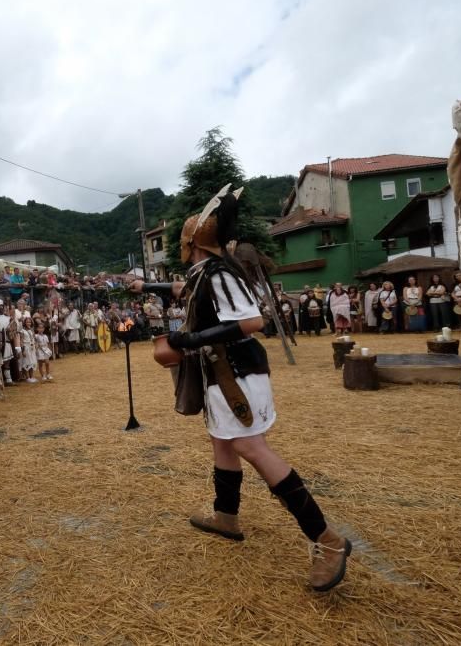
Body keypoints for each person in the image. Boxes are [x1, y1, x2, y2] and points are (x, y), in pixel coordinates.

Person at [130, 183, 351, 593]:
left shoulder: (218, 274)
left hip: (236, 373)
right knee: (222, 443)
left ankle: (328, 540)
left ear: (191, 241)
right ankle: (226, 515)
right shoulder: (204, 273)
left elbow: (251, 322)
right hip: (222, 371)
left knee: (251, 447)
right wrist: (147, 289)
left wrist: (188, 340)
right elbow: (185, 290)